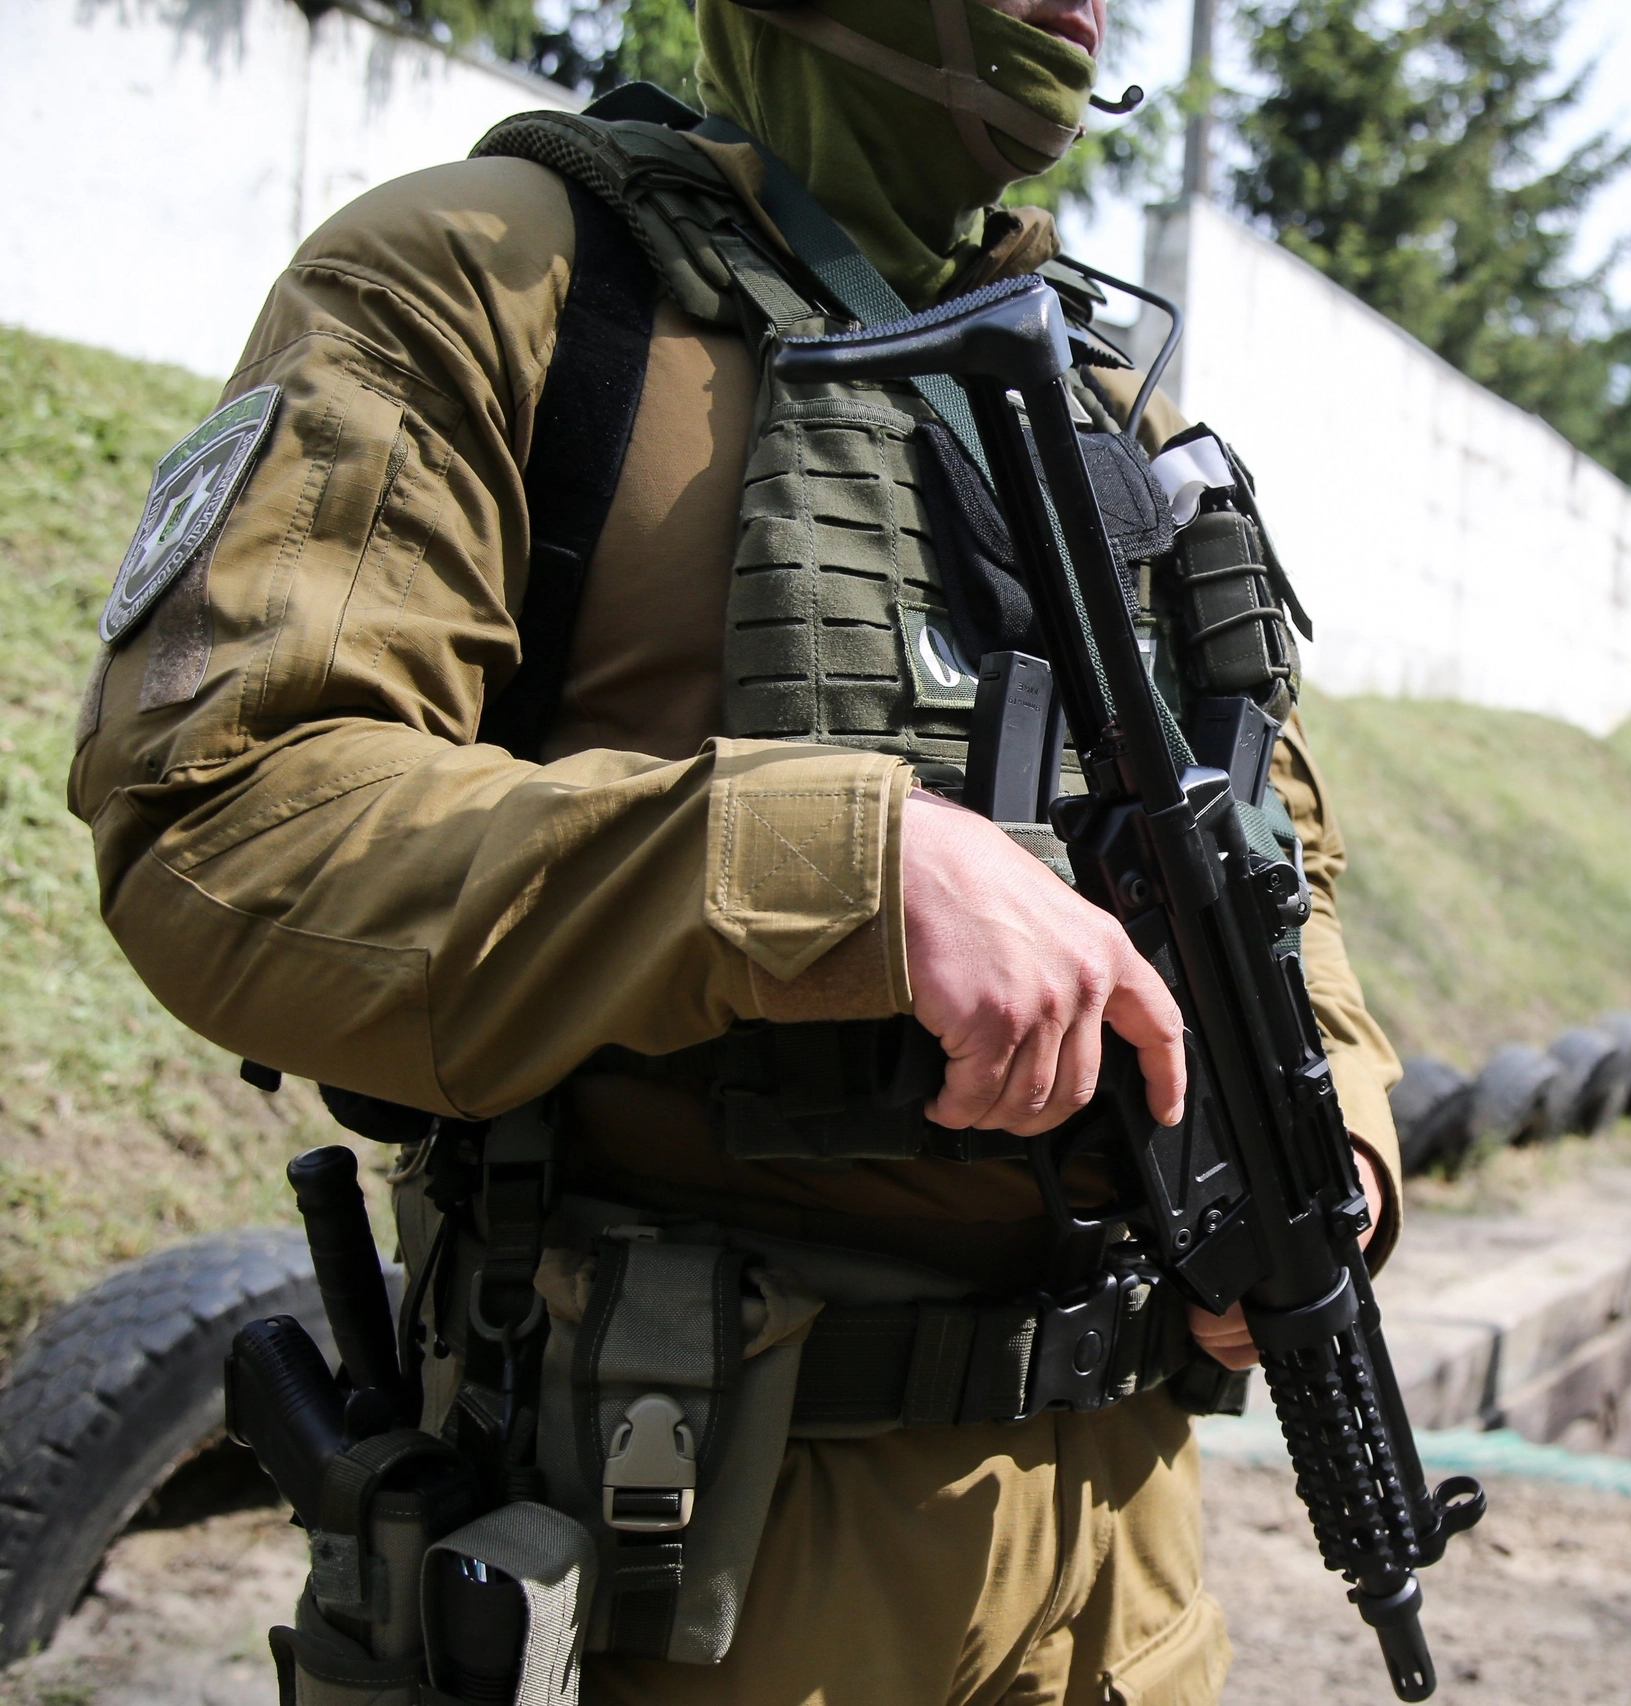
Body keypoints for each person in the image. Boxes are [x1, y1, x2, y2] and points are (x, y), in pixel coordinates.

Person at [66, 1, 1404, 1700]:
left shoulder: (1111, 397)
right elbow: (230, 814)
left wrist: (1336, 1138)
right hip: (684, 1544)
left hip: (1125, 1554)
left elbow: (1273, 863)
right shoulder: (495, 278)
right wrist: (835, 870)